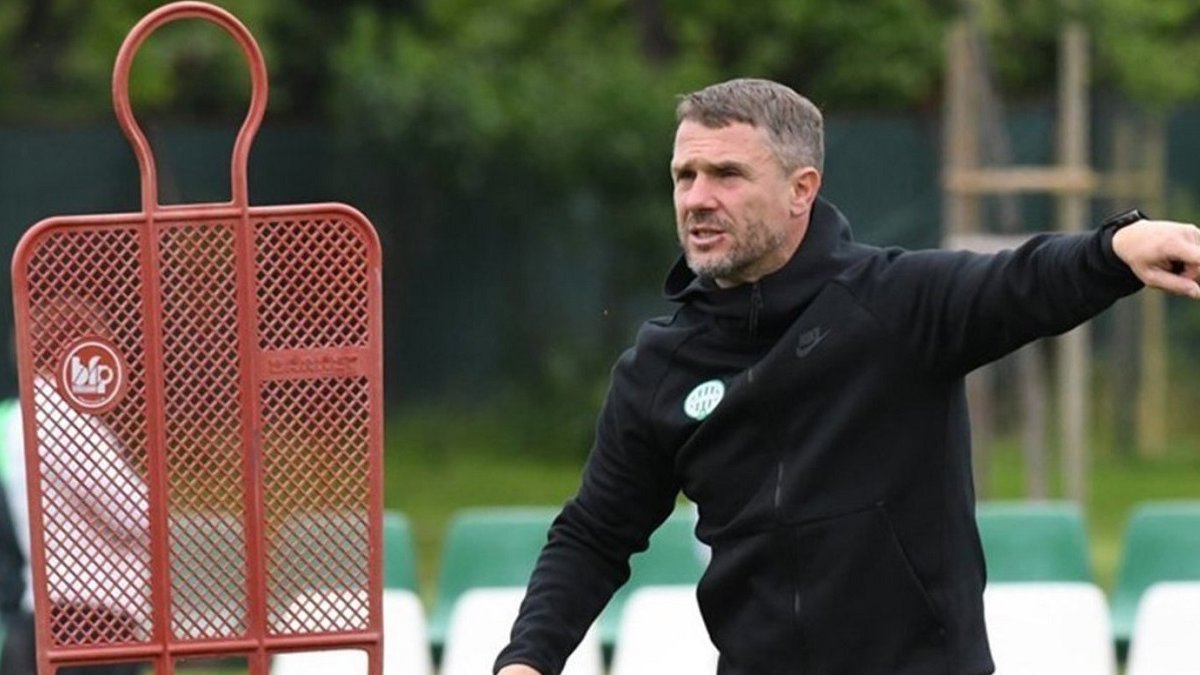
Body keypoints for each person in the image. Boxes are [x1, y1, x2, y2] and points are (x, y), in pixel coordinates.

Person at [494, 78, 1200, 675]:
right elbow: (594, 533)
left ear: (801, 189)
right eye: (686, 175)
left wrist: (1118, 247)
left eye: (727, 175)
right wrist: (526, 660)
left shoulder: (894, 304)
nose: (697, 198)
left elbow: (1021, 283)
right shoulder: (660, 366)